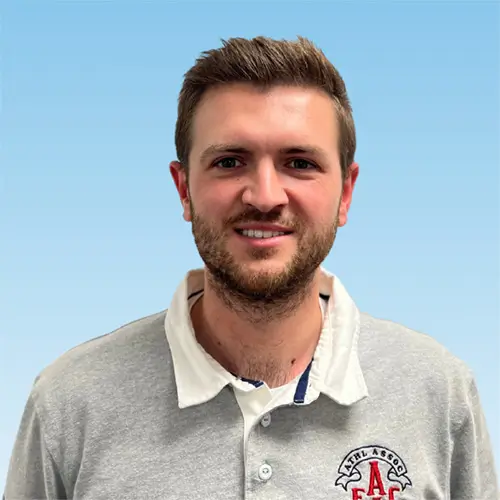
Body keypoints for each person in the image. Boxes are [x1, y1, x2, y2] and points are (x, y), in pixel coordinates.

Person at [4, 36, 498, 500]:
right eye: (229, 161)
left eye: (299, 163)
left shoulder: (438, 392)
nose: (264, 196)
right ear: (184, 189)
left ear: (346, 193)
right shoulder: (69, 403)